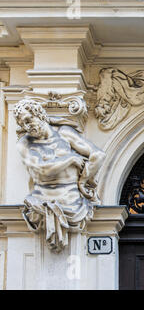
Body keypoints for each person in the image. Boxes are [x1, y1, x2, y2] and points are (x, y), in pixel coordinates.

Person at [14, 98, 105, 252]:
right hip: (40, 204)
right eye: (23, 124)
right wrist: (70, 158)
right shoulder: (24, 143)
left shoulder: (64, 133)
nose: (27, 126)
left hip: (74, 203)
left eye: (29, 120)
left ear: (40, 114)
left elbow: (98, 155)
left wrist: (83, 182)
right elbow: (40, 170)